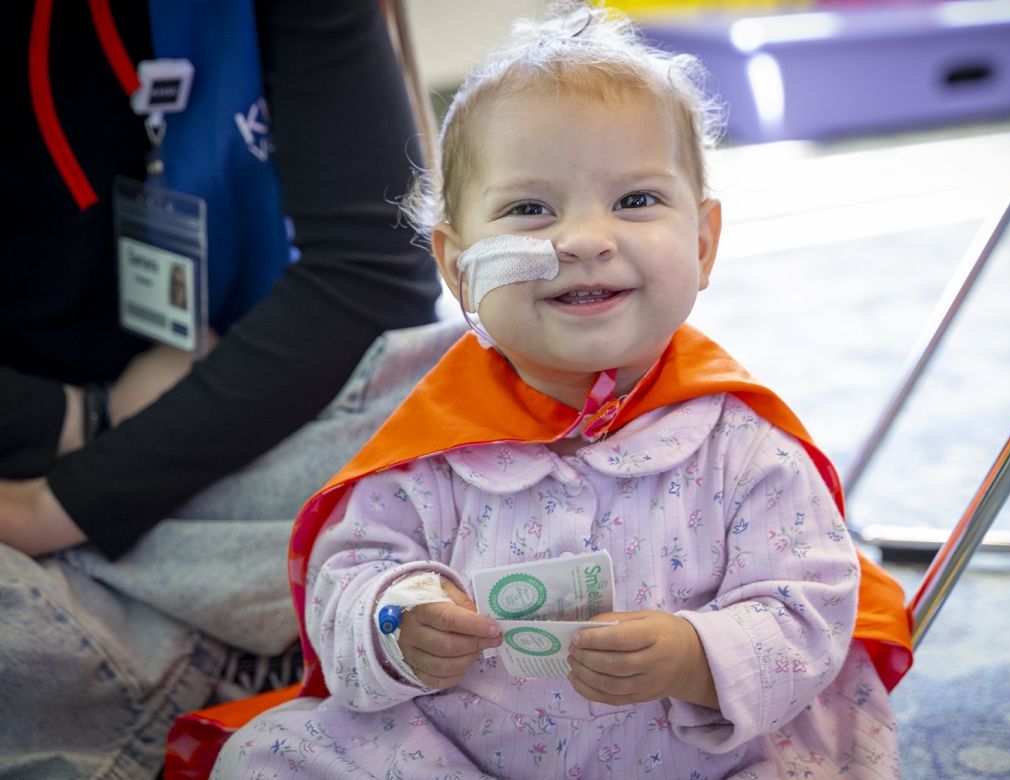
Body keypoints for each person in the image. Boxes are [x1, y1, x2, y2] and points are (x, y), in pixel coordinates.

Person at [211, 3, 914, 778]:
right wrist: (399, 621)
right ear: (457, 265)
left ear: (704, 243)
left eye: (636, 200)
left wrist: (696, 656)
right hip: (459, 757)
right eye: (529, 209)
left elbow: (811, 610)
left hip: (699, 763)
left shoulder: (745, 446)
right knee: (268, 755)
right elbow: (347, 580)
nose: (582, 239)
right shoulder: (429, 450)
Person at [0, 0, 464, 776]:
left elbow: (374, 277)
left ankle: (168, 667)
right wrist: (75, 419)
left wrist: (64, 505)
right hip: (32, 455)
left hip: (248, 411)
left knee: (492, 387)